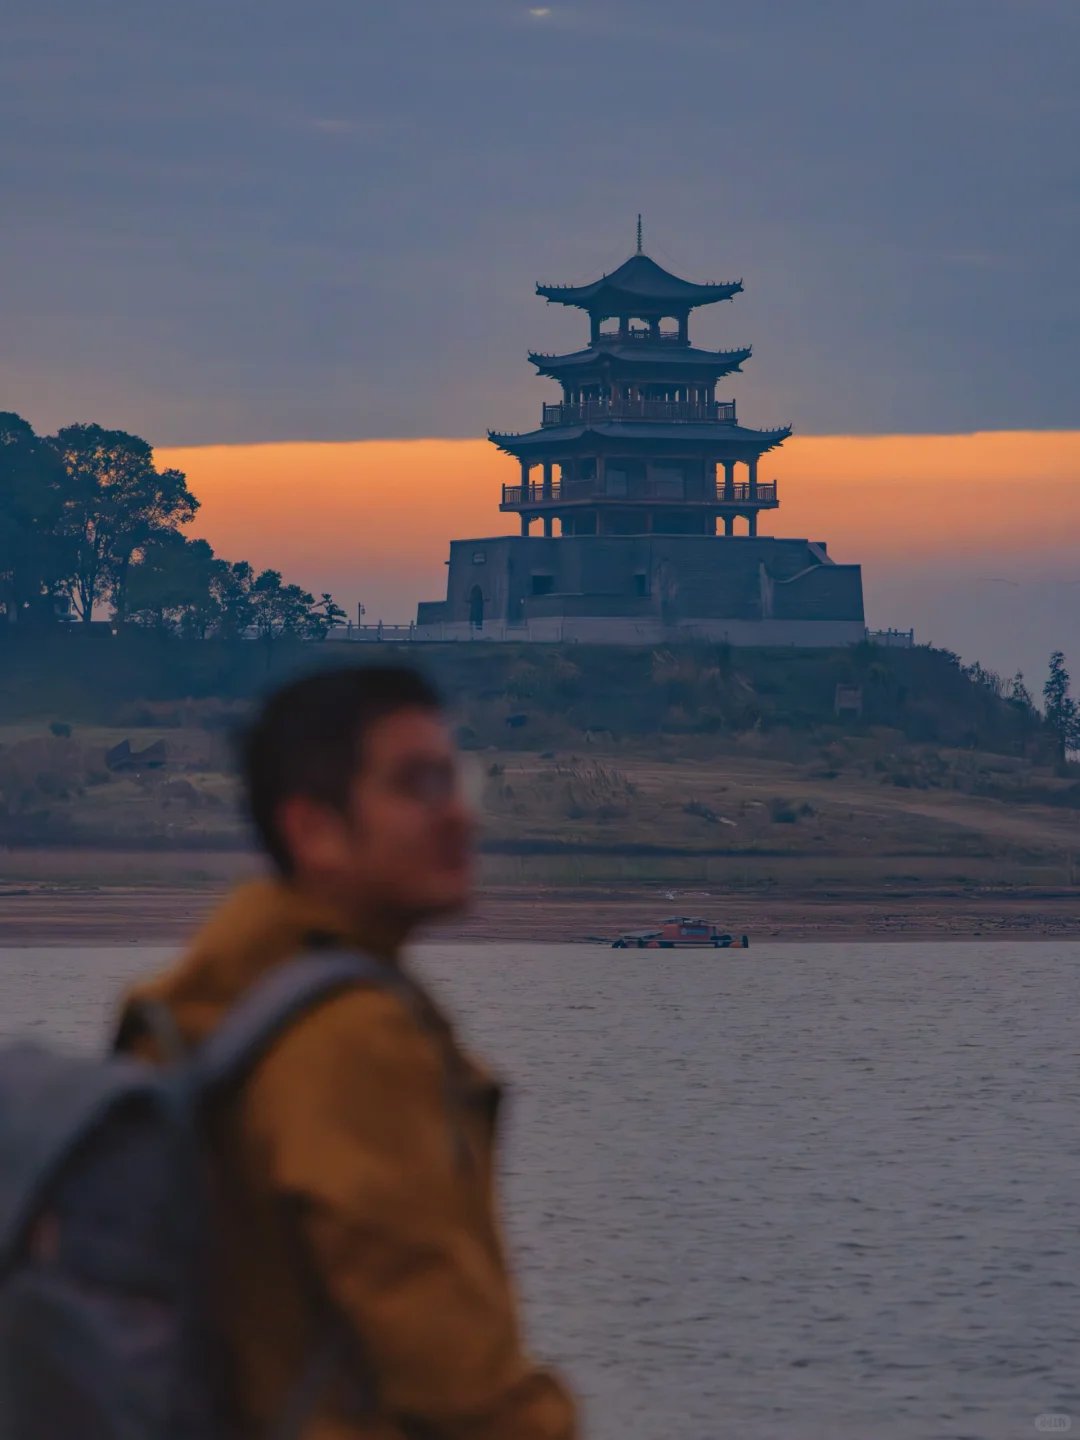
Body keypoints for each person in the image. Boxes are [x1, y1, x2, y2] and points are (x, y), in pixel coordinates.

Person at [119, 664, 579, 1440]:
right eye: (417, 785)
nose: (459, 817)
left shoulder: (188, 1004)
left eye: (456, 781)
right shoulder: (352, 1039)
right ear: (313, 829)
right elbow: (460, 1382)